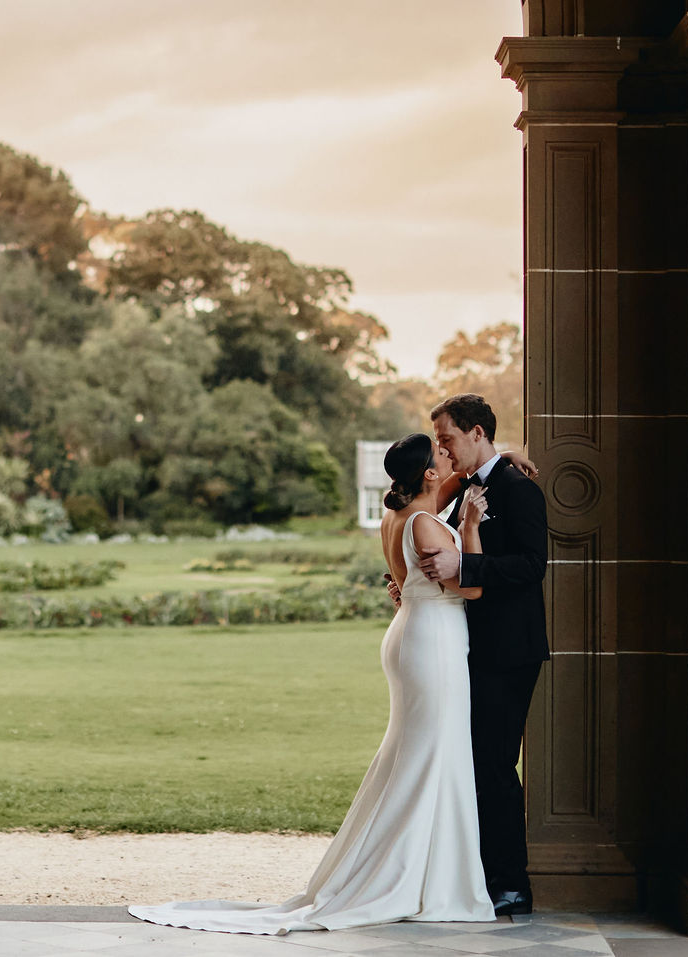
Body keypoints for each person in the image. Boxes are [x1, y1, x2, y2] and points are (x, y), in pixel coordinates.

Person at [128, 432, 494, 934]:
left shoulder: (399, 517)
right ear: (428, 473)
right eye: (440, 455)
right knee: (432, 754)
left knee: (419, 754)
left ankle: (419, 870)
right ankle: (413, 878)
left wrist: (501, 457)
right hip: (432, 642)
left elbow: (444, 499)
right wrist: (471, 524)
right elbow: (471, 585)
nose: (448, 457)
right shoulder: (428, 525)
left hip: (417, 634)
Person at [416, 393, 551, 917]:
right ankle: (474, 874)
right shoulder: (463, 490)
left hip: (507, 650)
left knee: (493, 764)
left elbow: (530, 566)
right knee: (468, 761)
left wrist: (463, 567)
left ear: (477, 433)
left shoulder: (518, 490)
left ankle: (511, 883)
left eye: (448, 438)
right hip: (464, 647)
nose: (443, 449)